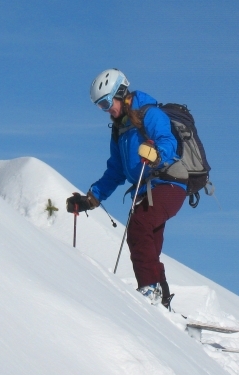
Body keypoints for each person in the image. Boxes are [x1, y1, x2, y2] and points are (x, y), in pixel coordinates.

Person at [68, 68, 185, 309]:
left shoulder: (150, 114)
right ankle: (162, 302)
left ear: (121, 93)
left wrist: (156, 155)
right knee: (149, 243)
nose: (106, 109)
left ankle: (149, 290)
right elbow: (116, 171)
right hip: (146, 189)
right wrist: (91, 199)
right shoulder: (119, 131)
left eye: (107, 102)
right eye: (100, 106)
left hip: (169, 182)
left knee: (138, 226)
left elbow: (168, 141)